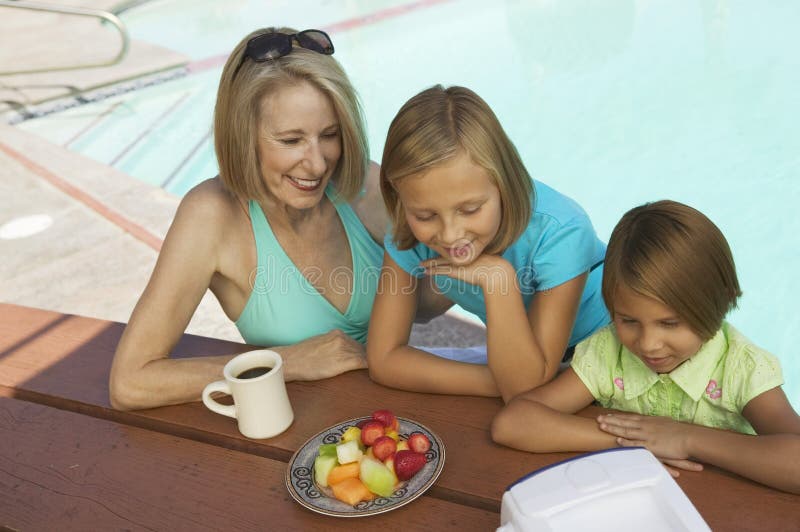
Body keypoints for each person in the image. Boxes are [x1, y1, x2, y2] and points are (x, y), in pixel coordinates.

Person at [109, 28, 448, 410]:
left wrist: (476, 256)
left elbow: (420, 304)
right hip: (298, 437)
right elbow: (130, 382)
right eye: (291, 140)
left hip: (399, 420)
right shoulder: (211, 215)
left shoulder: (361, 184)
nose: (319, 163)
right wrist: (286, 362)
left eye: (330, 135)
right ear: (243, 136)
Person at [491, 200, 800, 493]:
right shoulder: (609, 354)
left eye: (670, 323)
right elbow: (513, 423)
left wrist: (686, 438)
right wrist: (634, 442)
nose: (648, 344)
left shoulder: (740, 368)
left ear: (721, 302)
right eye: (628, 321)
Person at [367, 85, 610, 403]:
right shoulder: (408, 233)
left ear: (504, 183)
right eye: (425, 215)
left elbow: (526, 388)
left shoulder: (560, 231)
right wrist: (497, 379)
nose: (451, 235)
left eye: (470, 210)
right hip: (531, 369)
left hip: (623, 353)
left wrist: (498, 280)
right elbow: (384, 360)